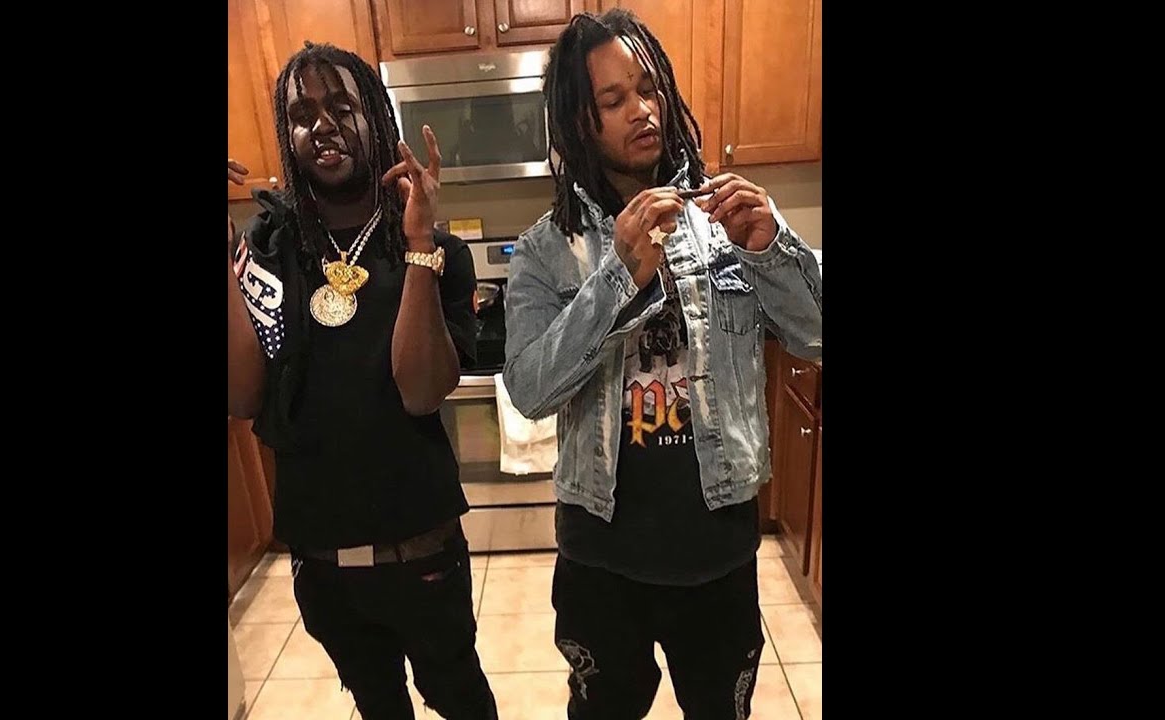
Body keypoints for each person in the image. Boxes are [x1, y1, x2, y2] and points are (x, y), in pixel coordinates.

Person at [502, 9, 822, 718]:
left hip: (717, 550)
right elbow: (528, 389)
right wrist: (618, 277)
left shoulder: (730, 220)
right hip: (599, 555)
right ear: (580, 122)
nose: (642, 110)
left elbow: (816, 335)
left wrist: (772, 248)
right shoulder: (545, 249)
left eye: (649, 89)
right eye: (614, 100)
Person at [226, 41, 497, 720]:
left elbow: (420, 391)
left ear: (376, 118)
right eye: (302, 114)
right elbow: (243, 395)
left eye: (342, 107)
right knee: (378, 706)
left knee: (461, 699)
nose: (322, 125)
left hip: (422, 550)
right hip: (320, 558)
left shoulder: (437, 249)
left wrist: (419, 246)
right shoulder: (268, 250)